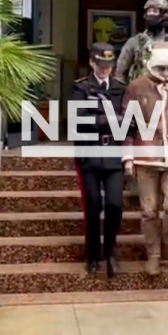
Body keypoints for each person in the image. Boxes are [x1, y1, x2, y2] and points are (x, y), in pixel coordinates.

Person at [121, 41, 168, 275]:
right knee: (149, 210)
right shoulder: (136, 86)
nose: (165, 74)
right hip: (146, 157)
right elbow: (127, 124)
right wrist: (127, 156)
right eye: (161, 68)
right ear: (151, 65)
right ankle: (153, 253)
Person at [70, 43, 126, 278]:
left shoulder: (120, 88)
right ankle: (93, 253)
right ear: (92, 63)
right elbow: (79, 119)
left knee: (115, 204)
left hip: (113, 152)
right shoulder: (81, 88)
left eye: (109, 65)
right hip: (89, 152)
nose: (105, 70)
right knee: (92, 207)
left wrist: (100, 118)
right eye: (101, 65)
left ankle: (110, 248)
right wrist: (111, 119)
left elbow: (129, 118)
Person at [115, 0, 168, 84]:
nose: (151, 14)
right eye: (149, 11)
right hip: (141, 92)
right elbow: (119, 73)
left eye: (155, 11)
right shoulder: (134, 42)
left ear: (165, 15)